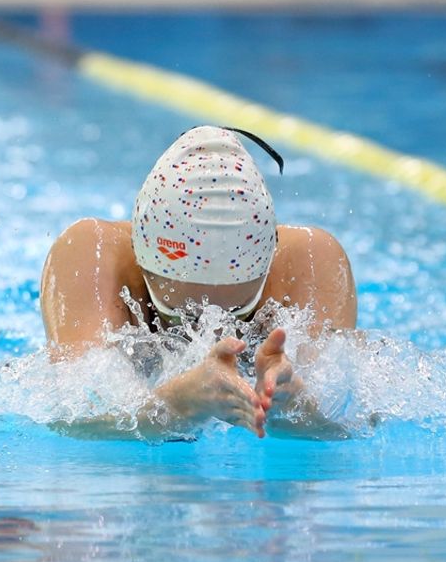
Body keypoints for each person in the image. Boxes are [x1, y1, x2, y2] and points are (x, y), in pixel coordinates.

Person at [40, 125, 357, 439]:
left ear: (269, 261)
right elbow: (76, 423)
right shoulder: (91, 257)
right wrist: (174, 406)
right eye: (182, 317)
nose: (213, 332)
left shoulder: (311, 264)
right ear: (138, 256)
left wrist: (294, 405)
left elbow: (341, 430)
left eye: (240, 312)